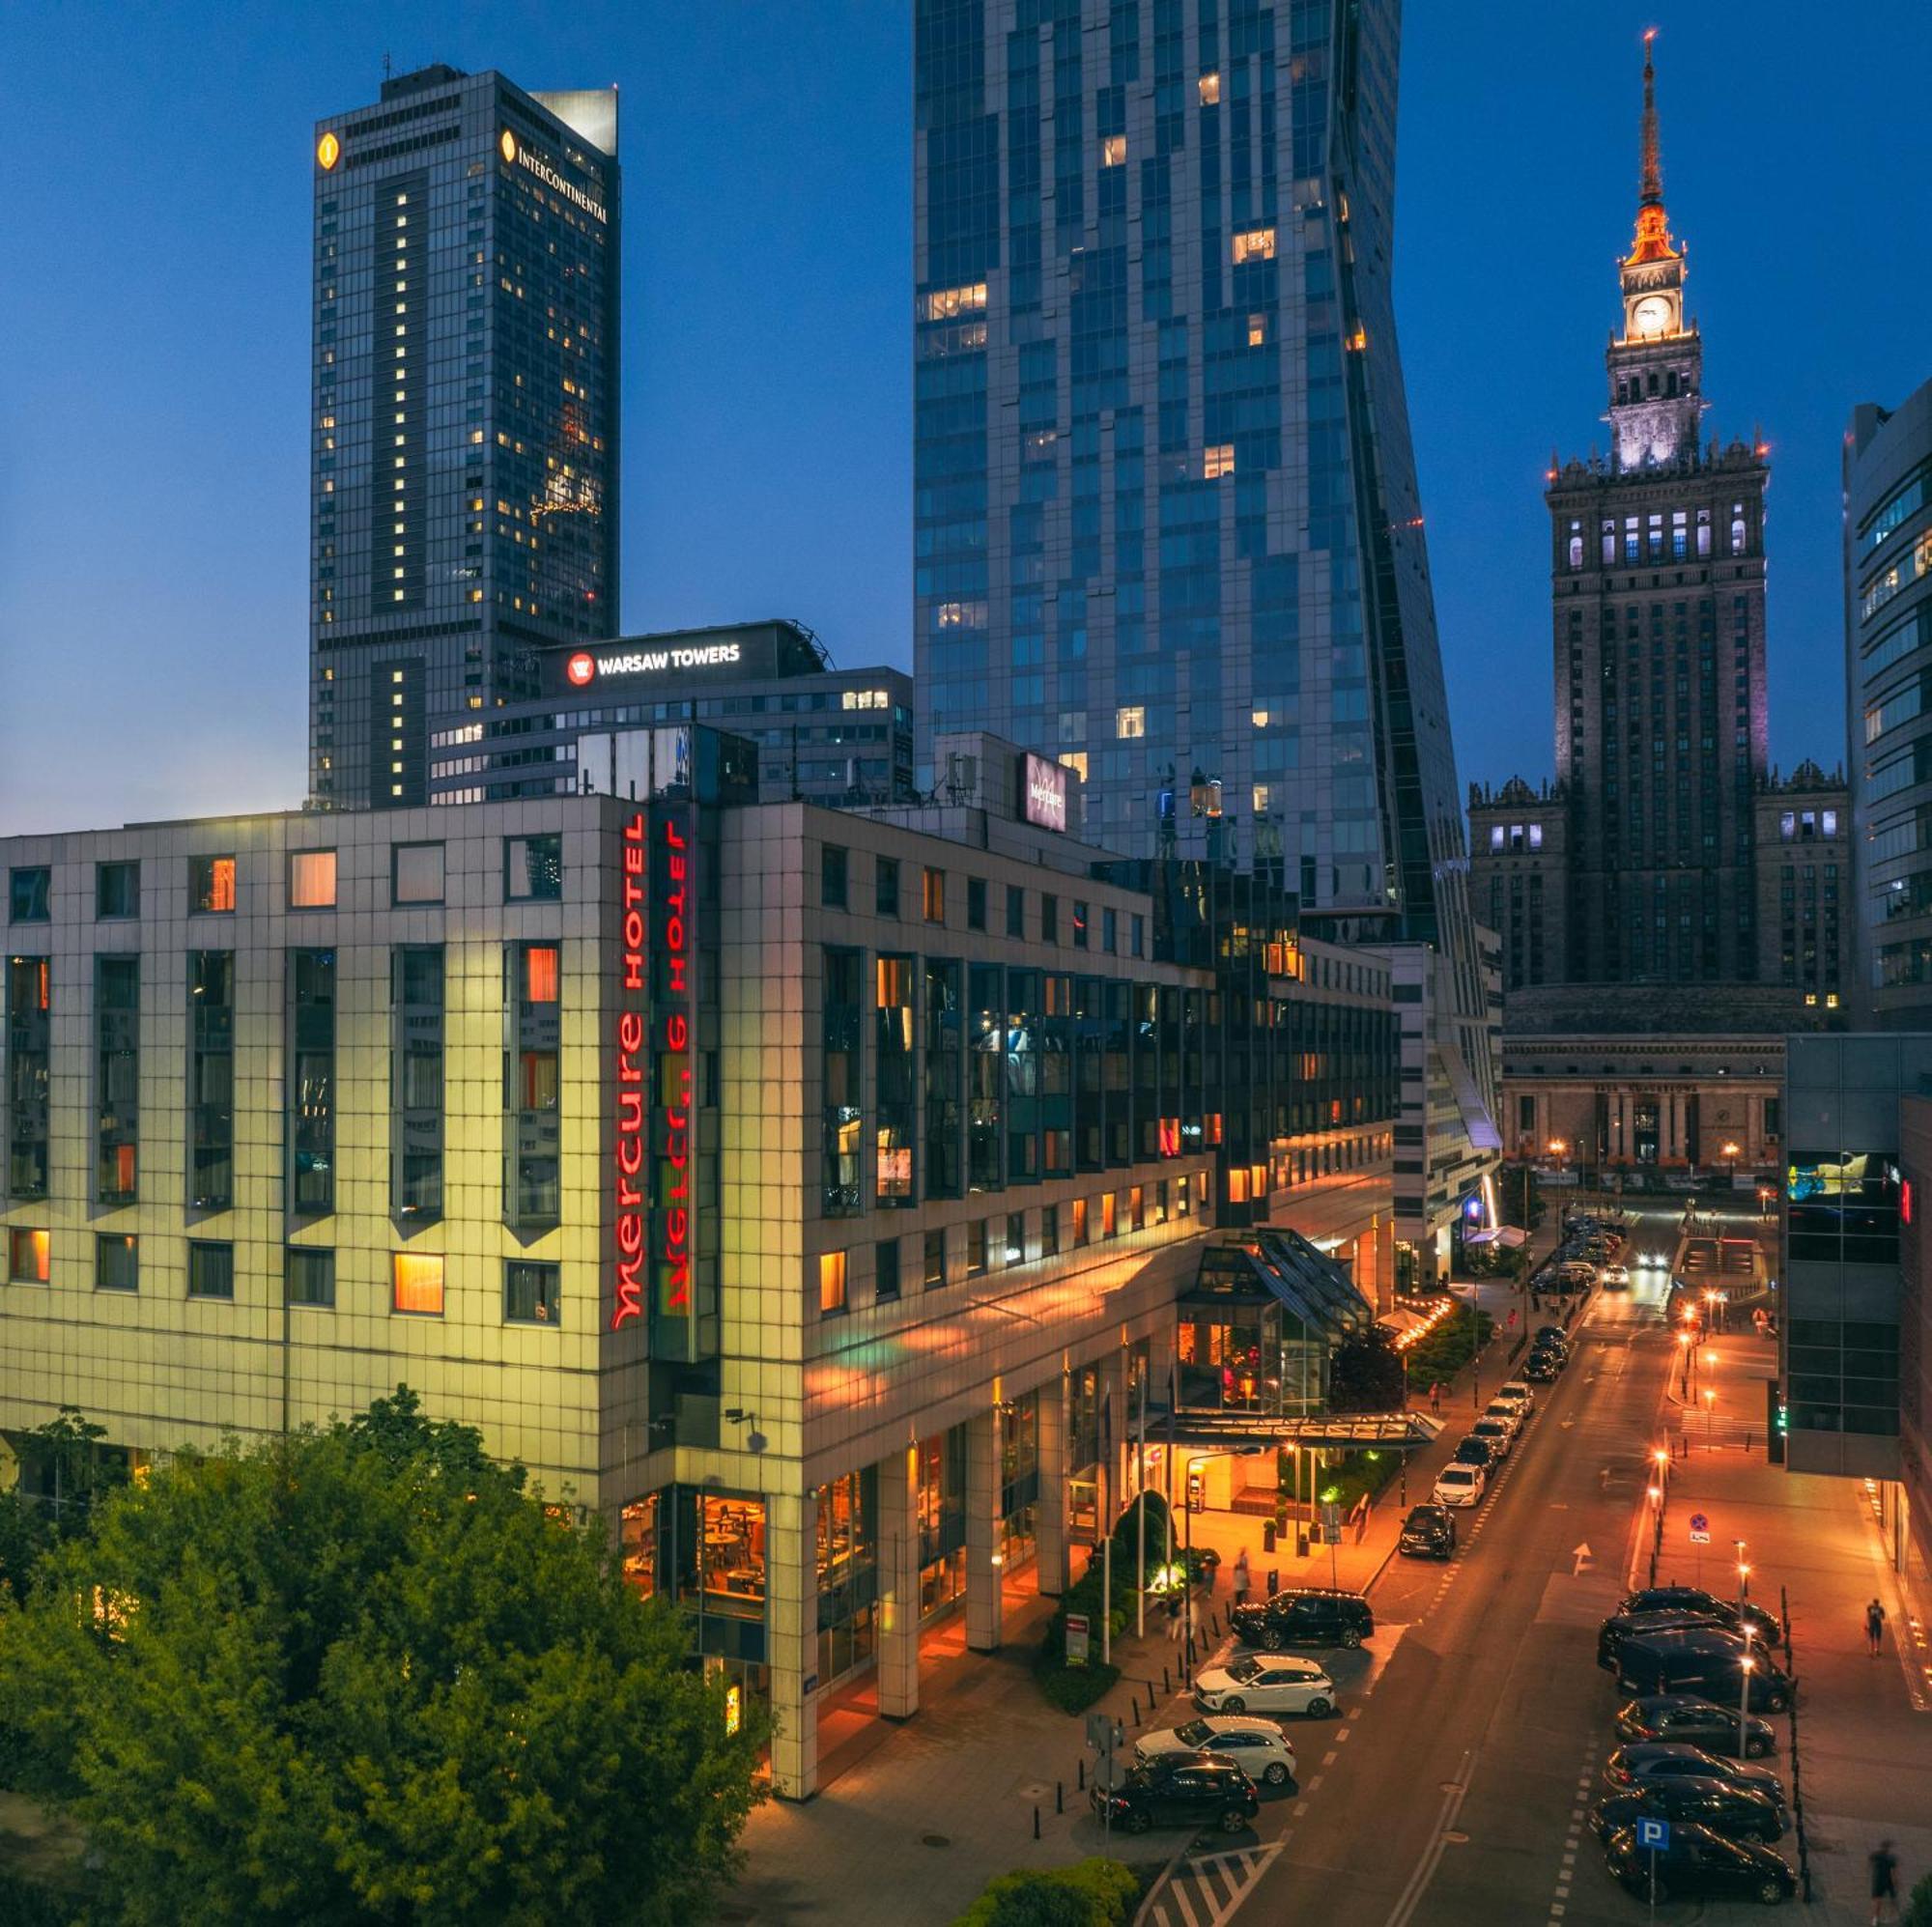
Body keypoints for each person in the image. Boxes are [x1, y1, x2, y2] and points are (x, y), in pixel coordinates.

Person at [1870, 1841, 1899, 1924]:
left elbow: (1871, 1860)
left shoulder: (1877, 1855)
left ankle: (1875, 1919)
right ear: (1888, 1848)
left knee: (1878, 1901)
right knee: (1893, 1899)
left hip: (1879, 1881)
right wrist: (1896, 1882)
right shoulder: (1891, 1859)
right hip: (1889, 1882)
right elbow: (1893, 1872)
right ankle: (1892, 1916)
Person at [1231, 1547, 1251, 1611]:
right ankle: (1241, 1608)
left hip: (1239, 1588)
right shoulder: (1241, 1572)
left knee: (1239, 1599)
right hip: (1240, 1588)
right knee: (1241, 1598)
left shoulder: (1238, 1572)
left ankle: (1239, 1608)